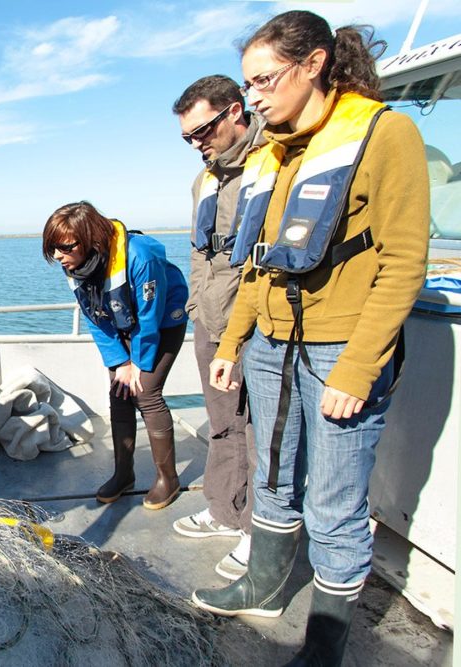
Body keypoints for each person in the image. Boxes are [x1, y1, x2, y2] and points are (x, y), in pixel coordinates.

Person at [190, 11, 429, 667]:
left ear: (314, 63)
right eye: (250, 83)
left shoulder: (386, 135)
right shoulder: (273, 151)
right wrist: (235, 342)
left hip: (340, 350)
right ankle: (263, 585)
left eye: (265, 79)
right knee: (270, 473)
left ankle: (325, 641)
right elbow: (256, 263)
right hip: (269, 344)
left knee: (332, 500)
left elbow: (403, 262)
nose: (256, 95)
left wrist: (357, 369)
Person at [170, 75, 265, 580]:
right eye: (187, 138)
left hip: (254, 324)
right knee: (223, 420)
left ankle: (257, 529)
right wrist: (194, 303)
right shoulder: (204, 178)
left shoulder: (272, 161)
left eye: (202, 130)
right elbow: (199, 248)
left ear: (235, 110)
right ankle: (225, 510)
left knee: (261, 430)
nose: (196, 143)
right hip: (209, 319)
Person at [42, 201, 189, 510]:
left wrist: (139, 362)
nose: (58, 255)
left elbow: (149, 317)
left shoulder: (140, 257)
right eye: (53, 248)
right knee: (119, 392)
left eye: (64, 247)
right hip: (121, 324)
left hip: (163, 322)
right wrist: (120, 362)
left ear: (91, 238)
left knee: (146, 392)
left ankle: (168, 479)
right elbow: (95, 318)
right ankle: (123, 474)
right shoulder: (75, 264)